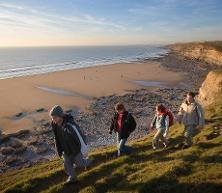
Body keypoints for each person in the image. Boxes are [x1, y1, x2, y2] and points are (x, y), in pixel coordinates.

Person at [50, 105, 90, 184]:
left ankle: (88, 161)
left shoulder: (70, 125)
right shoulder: (54, 124)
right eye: (52, 118)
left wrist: (82, 149)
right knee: (67, 165)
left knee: (80, 164)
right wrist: (59, 150)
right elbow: (56, 138)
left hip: (75, 149)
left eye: (54, 117)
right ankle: (73, 178)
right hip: (65, 150)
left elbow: (80, 137)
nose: (53, 120)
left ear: (60, 116)